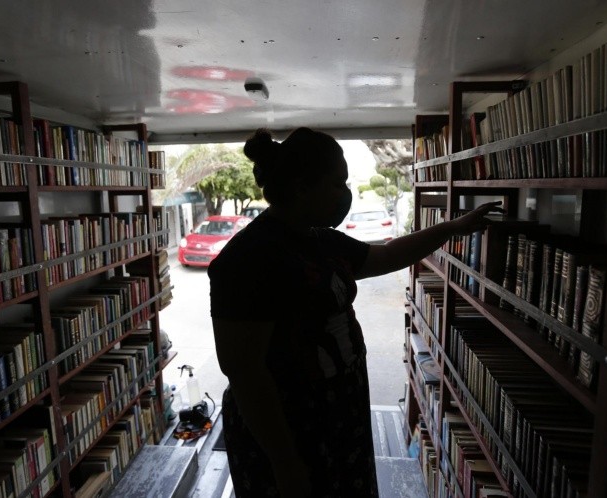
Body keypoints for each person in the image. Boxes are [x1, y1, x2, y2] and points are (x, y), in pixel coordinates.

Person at [208, 127, 502, 497]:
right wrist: (285, 462)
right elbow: (244, 373)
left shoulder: (320, 239)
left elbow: (388, 255)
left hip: (338, 425)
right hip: (290, 439)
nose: (345, 193)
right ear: (302, 186)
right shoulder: (247, 258)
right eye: (337, 183)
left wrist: (454, 228)